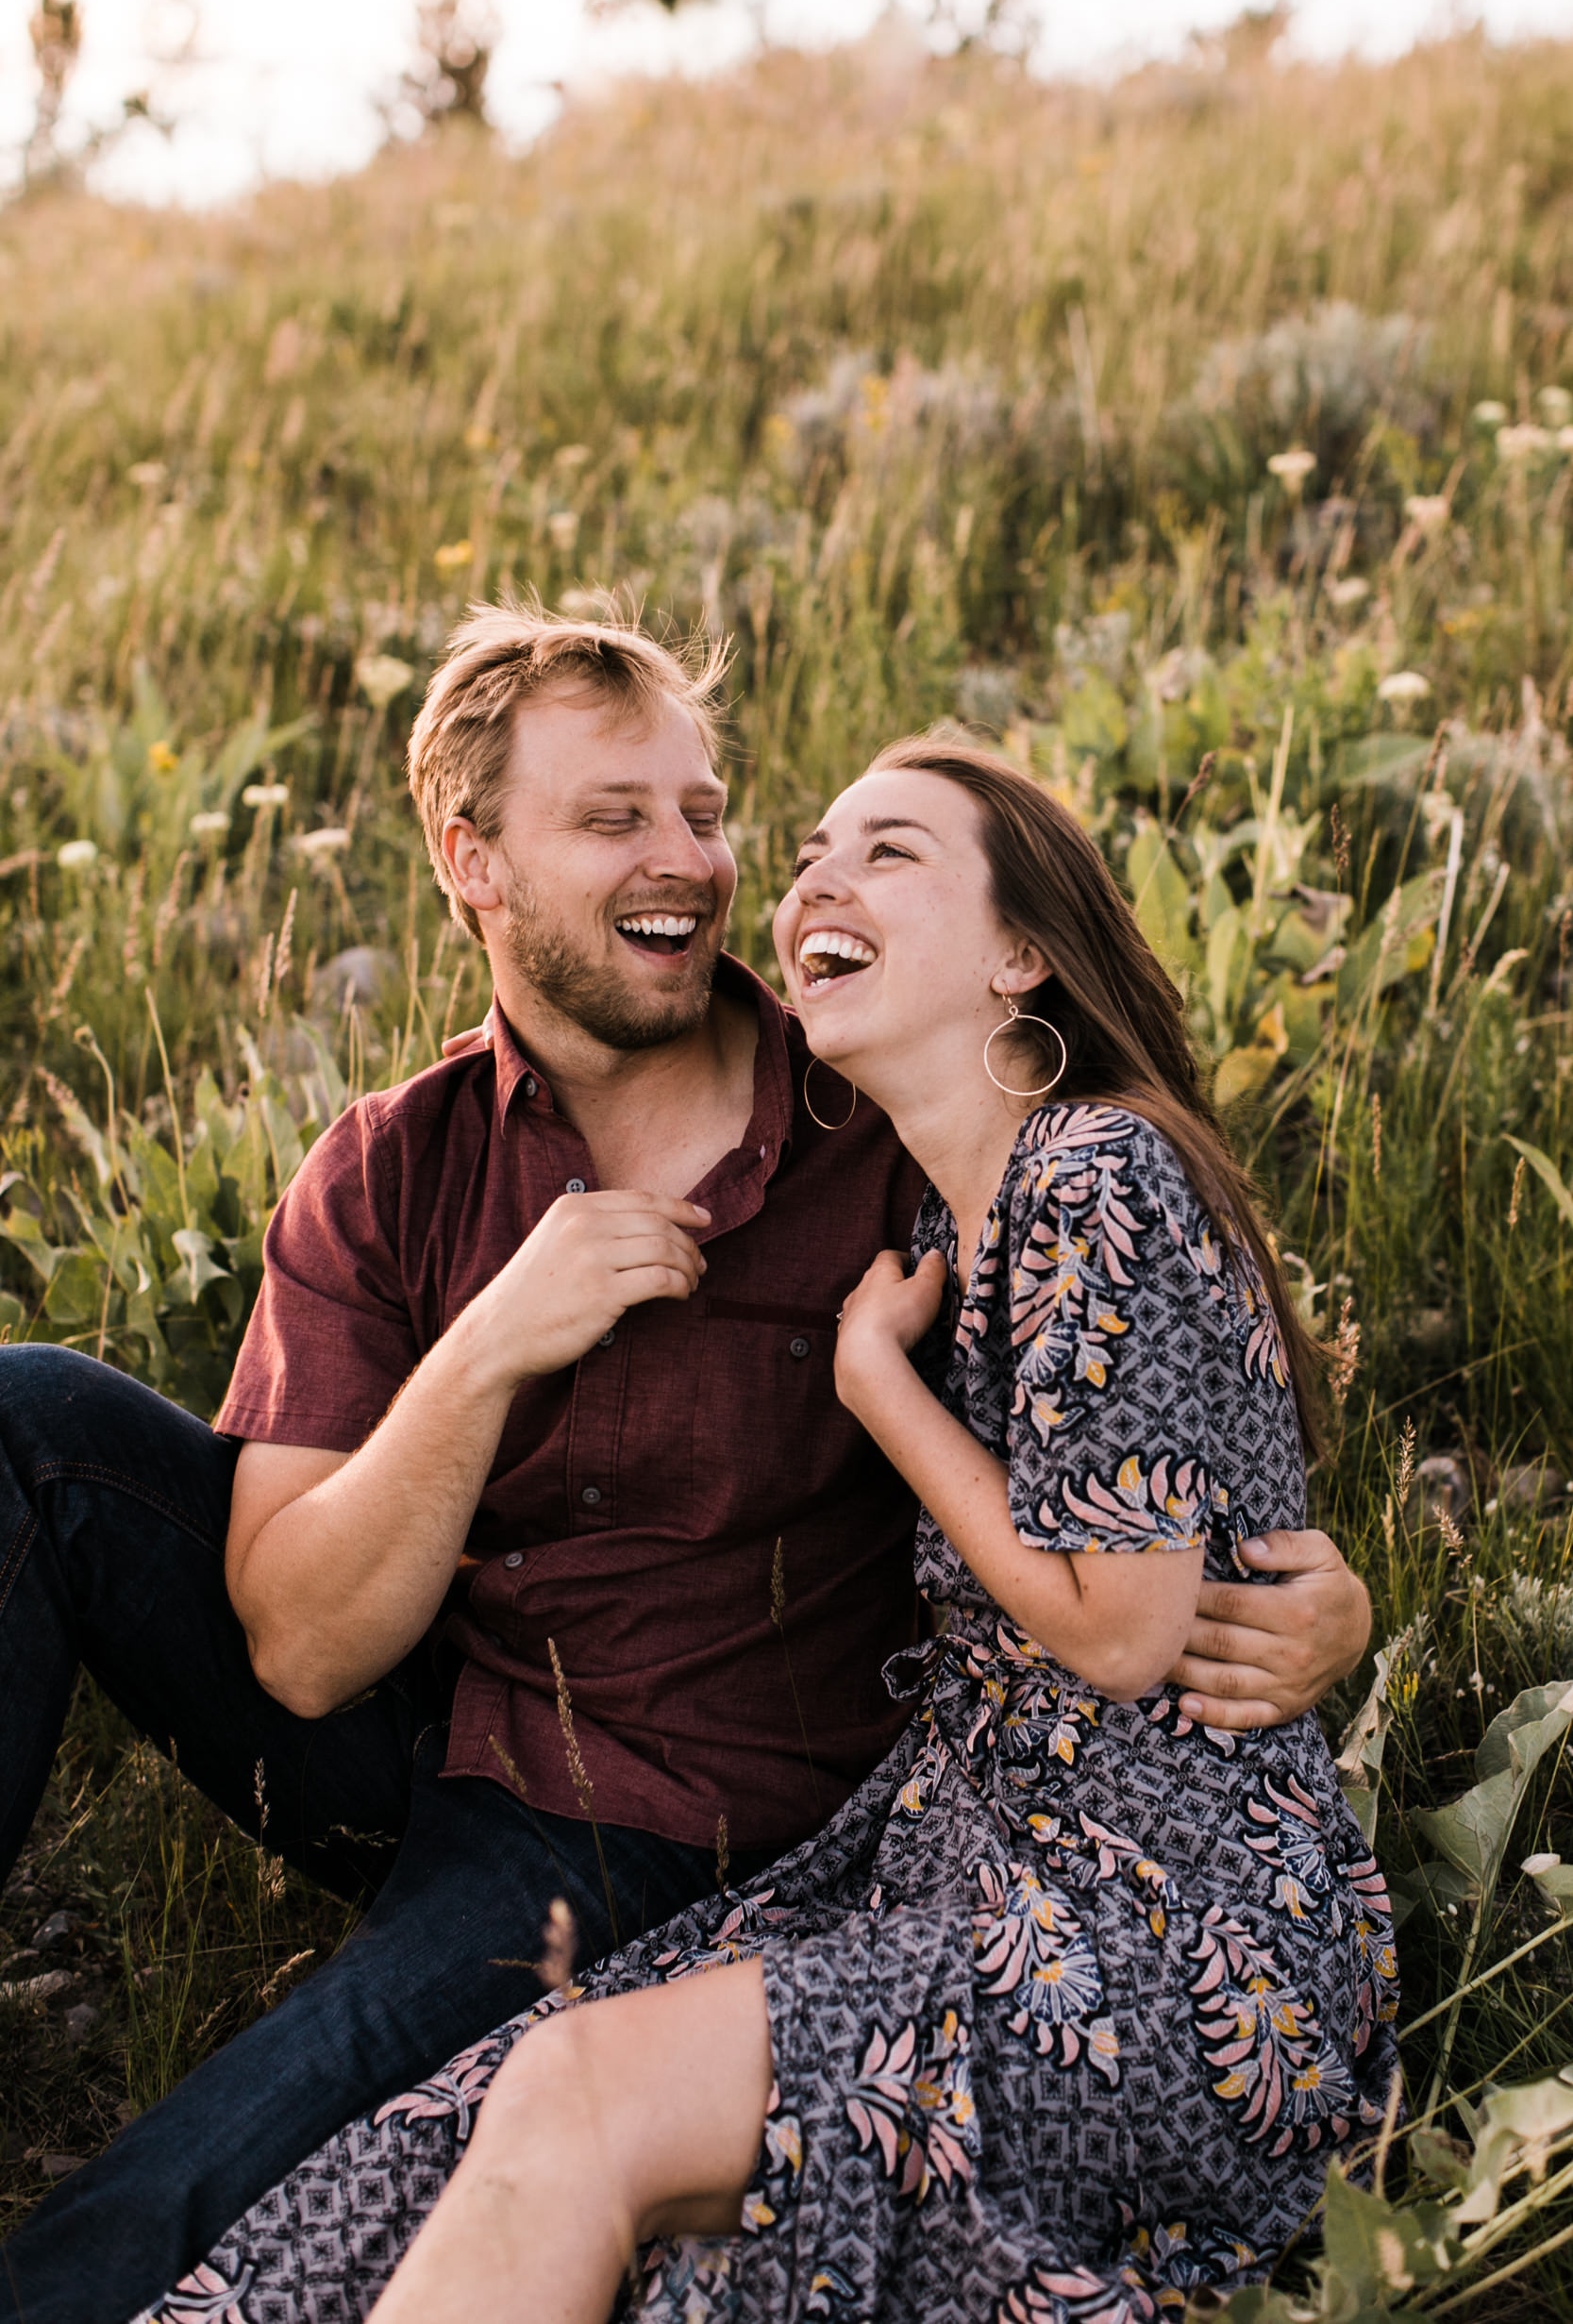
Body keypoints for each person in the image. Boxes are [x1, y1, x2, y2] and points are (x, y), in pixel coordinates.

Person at [0, 608, 1368, 2324]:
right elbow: (300, 1648)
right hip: (451, 1713)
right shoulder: (391, 1171)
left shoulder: (881, 1097)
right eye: (613, 819)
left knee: (218, 2184)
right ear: (469, 857)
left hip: (711, 1823)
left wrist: (1308, 1598)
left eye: (704, 812)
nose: (693, 863)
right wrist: (495, 1338)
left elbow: (1144, 1399)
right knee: (27, 1420)